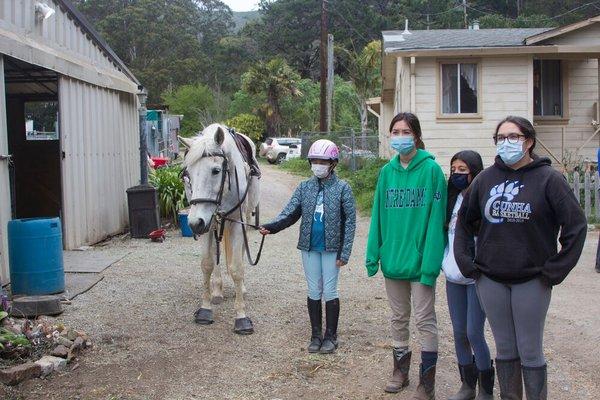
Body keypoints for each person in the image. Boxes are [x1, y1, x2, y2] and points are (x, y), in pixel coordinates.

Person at [455, 116, 587, 400]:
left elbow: (576, 226)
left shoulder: (549, 180)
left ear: (528, 141)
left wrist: (555, 269)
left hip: (532, 279)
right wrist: (467, 263)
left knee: (529, 349)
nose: (506, 142)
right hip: (491, 279)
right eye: (500, 138)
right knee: (504, 348)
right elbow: (464, 224)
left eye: (513, 137)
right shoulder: (484, 179)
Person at [365, 112, 446, 399]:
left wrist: (430, 264)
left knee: (425, 320)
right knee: (398, 318)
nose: (400, 137)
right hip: (394, 263)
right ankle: (400, 370)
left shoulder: (432, 171)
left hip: (420, 264)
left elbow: (437, 223)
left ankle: (427, 382)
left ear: (417, 135)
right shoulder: (387, 173)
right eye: (395, 132)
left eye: (405, 131)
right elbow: (378, 216)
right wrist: (374, 254)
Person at [259, 139, 356, 354]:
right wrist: (271, 227)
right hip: (309, 248)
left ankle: (331, 336)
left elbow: (350, 222)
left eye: (323, 161)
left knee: (329, 290)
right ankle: (315, 335)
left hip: (332, 249)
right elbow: (290, 213)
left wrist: (345, 252)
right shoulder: (304, 187)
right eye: (314, 161)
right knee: (313, 289)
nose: (318, 164)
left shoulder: (343, 188)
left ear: (333, 163)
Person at [443, 151, 494, 400]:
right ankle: (467, 385)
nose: (457, 174)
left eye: (463, 169)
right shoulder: (451, 200)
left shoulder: (483, 200)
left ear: (475, 171)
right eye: (454, 169)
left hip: (475, 277)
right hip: (453, 275)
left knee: (474, 332)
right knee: (459, 332)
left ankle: (486, 387)